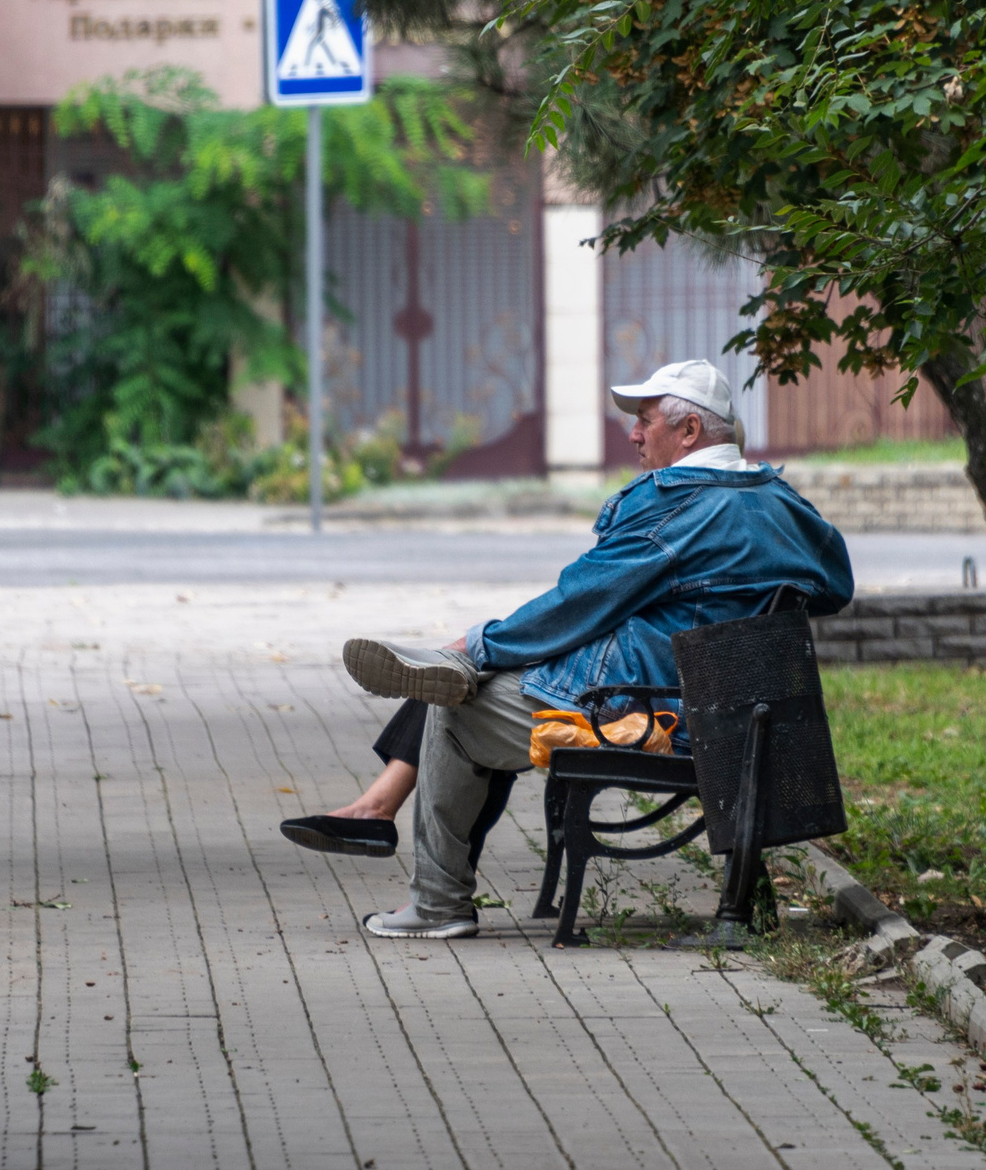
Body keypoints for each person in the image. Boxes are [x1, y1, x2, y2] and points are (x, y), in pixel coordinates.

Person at [287, 359, 855, 939]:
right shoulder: (781, 502)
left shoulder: (677, 507)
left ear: (689, 433)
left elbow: (581, 600)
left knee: (458, 705)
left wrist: (482, 641)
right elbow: (836, 584)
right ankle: (386, 793)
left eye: (646, 419)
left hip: (650, 711)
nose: (633, 433)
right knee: (483, 674)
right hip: (739, 717)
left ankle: (437, 903)